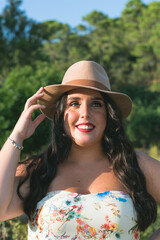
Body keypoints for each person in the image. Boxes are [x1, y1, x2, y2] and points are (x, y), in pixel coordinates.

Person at [0, 60, 159, 240]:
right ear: (60, 114)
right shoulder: (37, 170)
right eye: (74, 103)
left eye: (96, 104)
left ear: (108, 114)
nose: (85, 113)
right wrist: (17, 135)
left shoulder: (132, 164)